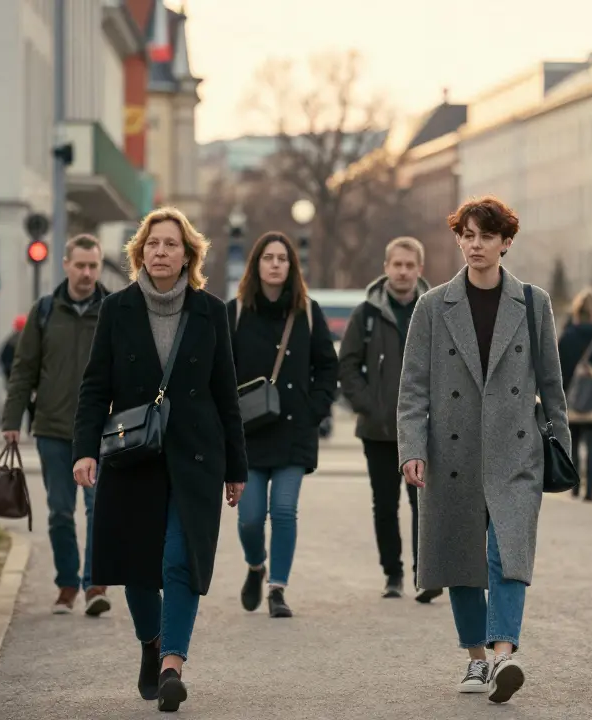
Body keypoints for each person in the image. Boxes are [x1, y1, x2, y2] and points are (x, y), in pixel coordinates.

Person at [72, 206, 247, 712]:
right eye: (152, 244)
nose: (161, 252)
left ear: (188, 254)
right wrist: (85, 450)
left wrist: (236, 467)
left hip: (196, 457)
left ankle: (172, 663)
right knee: (139, 569)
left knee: (179, 560)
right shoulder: (117, 310)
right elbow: (94, 387)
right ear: (139, 253)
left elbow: (225, 395)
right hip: (133, 456)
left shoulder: (211, 311)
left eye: (171, 244)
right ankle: (150, 642)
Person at [397, 196, 569, 704]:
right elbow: (412, 387)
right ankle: (476, 660)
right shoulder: (433, 306)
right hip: (451, 453)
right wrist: (412, 447)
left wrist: (557, 440)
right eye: (467, 235)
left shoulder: (534, 303)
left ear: (505, 243)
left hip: (516, 451)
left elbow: (551, 382)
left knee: (507, 553)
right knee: (462, 556)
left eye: (486, 236)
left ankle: (504, 654)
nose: (475, 245)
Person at [229, 231, 338, 619]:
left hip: (295, 430)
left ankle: (278, 588)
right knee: (251, 516)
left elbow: (328, 365)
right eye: (268, 257)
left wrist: (315, 409)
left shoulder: (307, 311)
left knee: (285, 510)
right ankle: (256, 564)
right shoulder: (236, 311)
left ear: (292, 266)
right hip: (248, 434)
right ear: (256, 264)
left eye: (282, 258)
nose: (275, 264)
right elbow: (218, 374)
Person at [2, 234, 111, 615]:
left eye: (93, 266)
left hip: (102, 432)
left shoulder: (114, 309)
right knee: (60, 511)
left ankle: (95, 584)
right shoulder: (45, 311)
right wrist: (12, 419)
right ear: (65, 265)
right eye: (80, 265)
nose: (86, 273)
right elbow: (24, 368)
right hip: (53, 428)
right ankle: (67, 585)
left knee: (100, 509)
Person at [337, 236, 444, 601]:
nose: (402, 271)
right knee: (384, 503)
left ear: (420, 270)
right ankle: (393, 574)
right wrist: (368, 404)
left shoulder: (435, 310)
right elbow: (347, 364)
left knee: (423, 504)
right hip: (378, 428)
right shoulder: (366, 313)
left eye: (409, 265)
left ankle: (424, 574)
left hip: (424, 428)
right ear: (386, 268)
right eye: (396, 265)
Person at [557, 287, 592, 502]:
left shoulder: (568, 337)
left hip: (571, 397)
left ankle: (575, 486)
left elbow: (558, 369)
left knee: (574, 442)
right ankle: (590, 491)